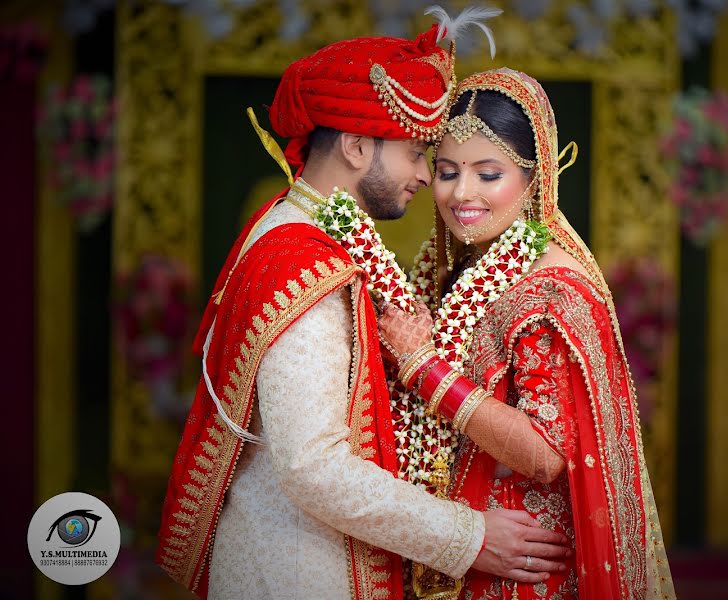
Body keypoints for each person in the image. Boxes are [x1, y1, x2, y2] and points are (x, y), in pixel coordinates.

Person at [155, 21, 571, 598]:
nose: (427, 177)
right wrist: (468, 537)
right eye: (416, 153)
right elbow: (312, 466)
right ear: (355, 146)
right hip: (299, 573)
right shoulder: (303, 263)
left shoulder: (295, 228)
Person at [378, 69, 676, 599]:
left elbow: (545, 455)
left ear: (534, 179)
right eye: (447, 171)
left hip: (520, 572)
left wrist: (425, 367)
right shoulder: (468, 265)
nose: (461, 193)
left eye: (488, 174)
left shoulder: (551, 292)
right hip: (463, 551)